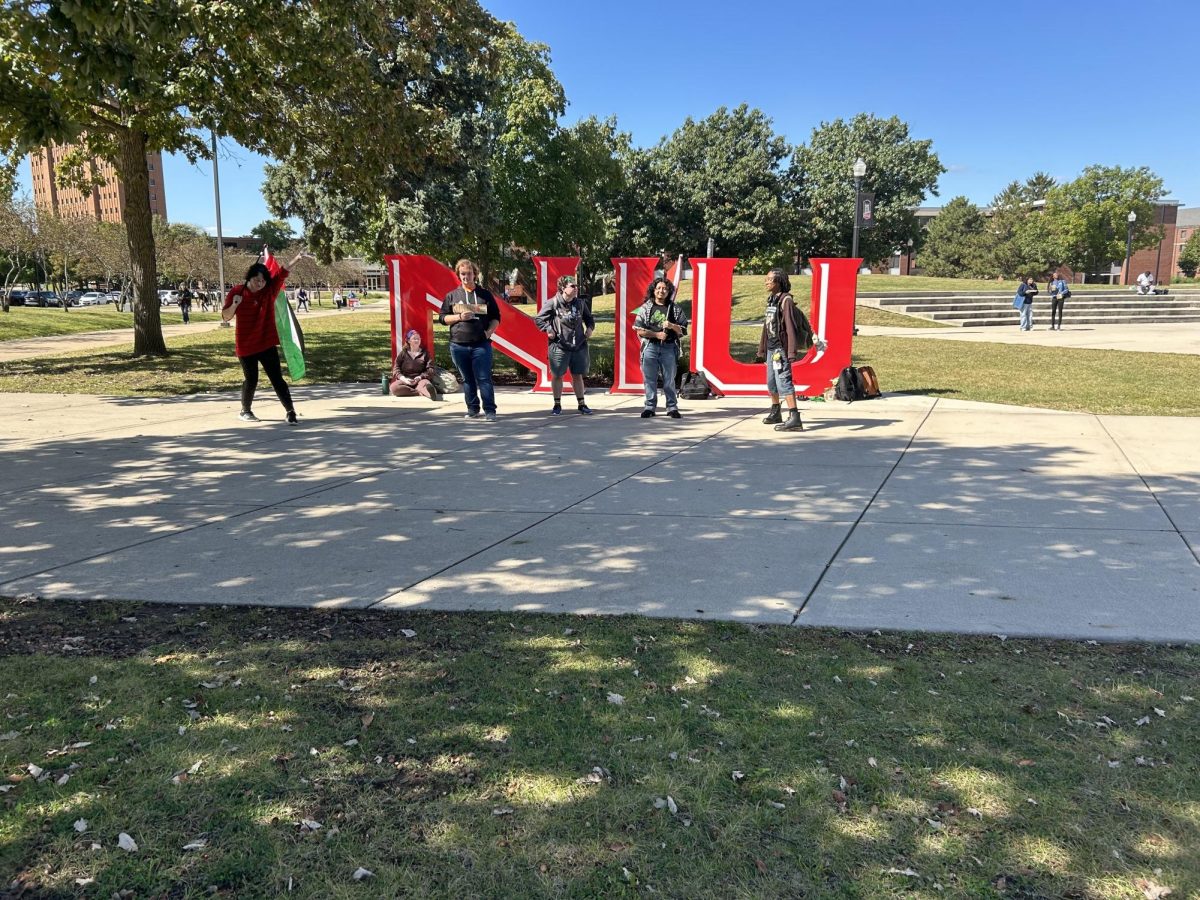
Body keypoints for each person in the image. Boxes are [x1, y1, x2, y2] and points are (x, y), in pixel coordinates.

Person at [221, 249, 311, 424]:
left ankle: (290, 411)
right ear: (249, 277)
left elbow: (281, 273)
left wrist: (297, 258)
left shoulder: (269, 291)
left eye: (263, 281)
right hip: (246, 344)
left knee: (276, 378)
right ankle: (245, 410)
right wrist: (234, 305)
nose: (260, 284)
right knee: (251, 379)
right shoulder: (237, 292)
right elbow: (226, 316)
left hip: (266, 342)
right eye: (257, 280)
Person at [439, 258, 501, 421]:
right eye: (463, 274)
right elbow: (442, 318)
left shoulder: (484, 295)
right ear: (459, 275)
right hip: (458, 345)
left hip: (480, 344)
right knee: (467, 379)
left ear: (475, 274)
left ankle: (490, 411)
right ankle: (472, 408)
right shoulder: (452, 296)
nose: (466, 277)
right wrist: (459, 317)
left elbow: (496, 317)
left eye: (469, 273)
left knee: (483, 378)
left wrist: (489, 332)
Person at [534, 275, 595, 416]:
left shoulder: (580, 303)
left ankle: (582, 404)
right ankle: (557, 404)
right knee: (557, 375)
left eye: (576, 286)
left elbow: (589, 319)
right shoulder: (553, 303)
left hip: (578, 345)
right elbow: (539, 319)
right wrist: (549, 330)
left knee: (577, 375)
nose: (576, 288)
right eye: (572, 286)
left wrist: (590, 329)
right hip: (559, 346)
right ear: (563, 288)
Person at [755, 269, 805, 432]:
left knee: (784, 380)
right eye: (766, 279)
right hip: (771, 349)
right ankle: (776, 411)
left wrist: (791, 352)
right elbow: (767, 327)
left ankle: (794, 417)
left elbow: (790, 327)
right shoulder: (771, 299)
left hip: (781, 349)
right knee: (771, 382)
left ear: (779, 282)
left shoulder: (786, 300)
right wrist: (761, 349)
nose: (766, 282)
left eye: (770, 279)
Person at [633, 276, 688, 418]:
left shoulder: (674, 309)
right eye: (658, 288)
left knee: (669, 379)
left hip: (669, 348)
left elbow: (683, 330)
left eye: (664, 288)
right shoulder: (645, 308)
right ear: (654, 290)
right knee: (649, 379)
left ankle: (672, 407)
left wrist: (672, 326)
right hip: (650, 347)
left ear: (669, 291)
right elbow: (639, 329)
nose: (661, 291)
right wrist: (656, 335)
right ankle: (650, 407)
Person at [389, 329, 442, 401]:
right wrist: (403, 378)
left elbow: (430, 369)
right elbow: (396, 368)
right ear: (409, 341)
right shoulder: (403, 353)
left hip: (420, 379)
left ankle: (431, 394)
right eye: (414, 339)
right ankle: (419, 392)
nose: (417, 340)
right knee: (394, 388)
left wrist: (420, 377)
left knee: (426, 386)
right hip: (406, 380)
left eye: (418, 338)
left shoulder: (425, 353)